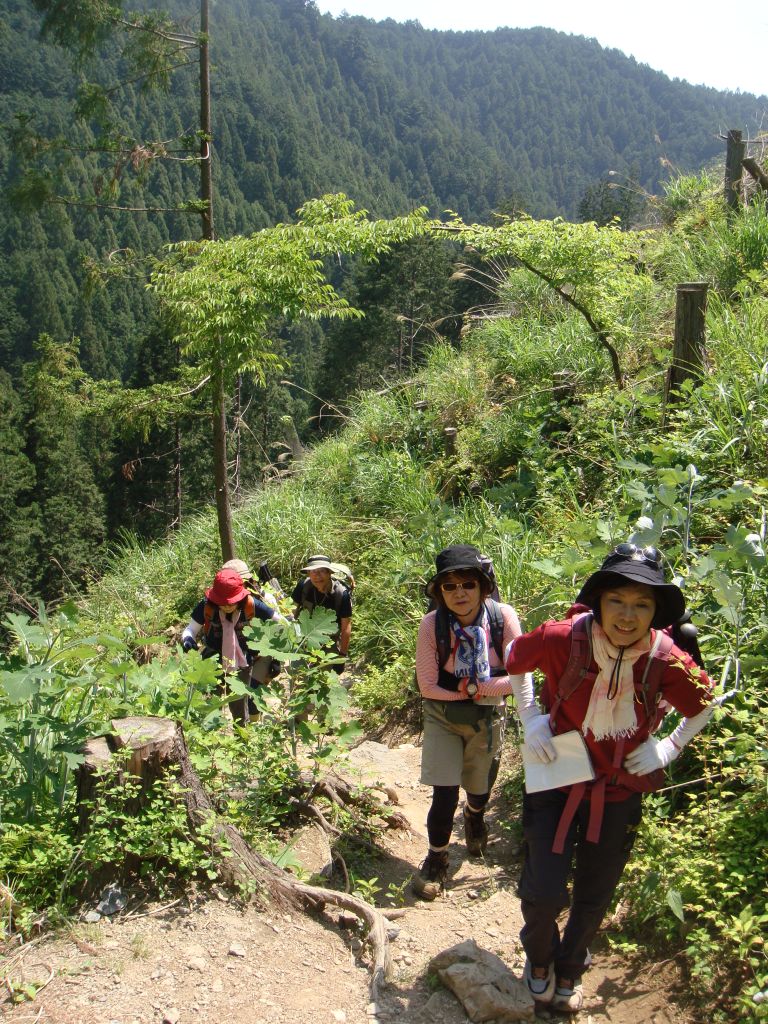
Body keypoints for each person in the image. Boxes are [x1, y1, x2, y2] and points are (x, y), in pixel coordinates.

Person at [504, 544, 715, 1014]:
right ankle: (539, 960)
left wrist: (669, 746)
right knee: (543, 892)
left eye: (642, 605)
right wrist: (531, 717)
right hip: (557, 778)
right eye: (617, 600)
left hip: (619, 789)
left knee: (595, 892)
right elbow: (514, 658)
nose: (627, 615)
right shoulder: (563, 638)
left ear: (656, 612)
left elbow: (704, 702)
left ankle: (571, 966)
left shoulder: (666, 659)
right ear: (598, 601)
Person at [412, 544, 529, 900]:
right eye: (450, 586)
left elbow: (523, 673)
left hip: (488, 715)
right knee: (443, 792)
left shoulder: (502, 617)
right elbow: (428, 685)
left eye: (467, 584)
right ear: (439, 592)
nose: (459, 593)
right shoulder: (432, 625)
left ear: (483, 586)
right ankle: (437, 859)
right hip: (442, 715)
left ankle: (475, 815)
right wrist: (473, 691)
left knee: (480, 788)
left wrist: (480, 687)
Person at [181, 567, 280, 723]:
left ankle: (243, 737)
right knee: (209, 703)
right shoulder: (206, 605)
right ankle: (209, 736)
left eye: (231, 602)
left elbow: (280, 623)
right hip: (211, 659)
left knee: (240, 703)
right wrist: (188, 640)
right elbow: (191, 629)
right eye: (222, 602)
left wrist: (276, 655)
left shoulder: (251, 605)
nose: (227, 606)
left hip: (242, 661)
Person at [291, 555, 352, 673]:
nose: (317, 575)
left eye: (322, 571)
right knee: (298, 679)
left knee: (322, 682)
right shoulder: (303, 586)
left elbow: (346, 627)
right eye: (313, 571)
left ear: (329, 573)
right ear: (308, 573)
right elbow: (290, 611)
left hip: (328, 642)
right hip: (302, 638)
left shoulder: (341, 594)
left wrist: (342, 656)